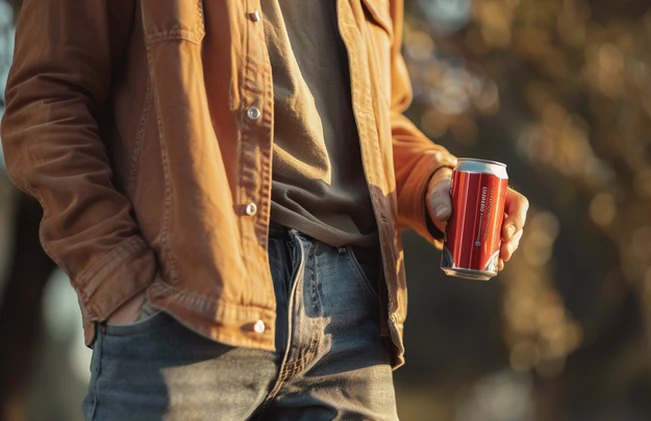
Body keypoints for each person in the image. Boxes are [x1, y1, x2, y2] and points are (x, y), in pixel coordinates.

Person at [1, 0, 528, 420]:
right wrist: (117, 277)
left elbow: (377, 119)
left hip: (349, 323)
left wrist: (430, 180)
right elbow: (47, 98)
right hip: (186, 302)